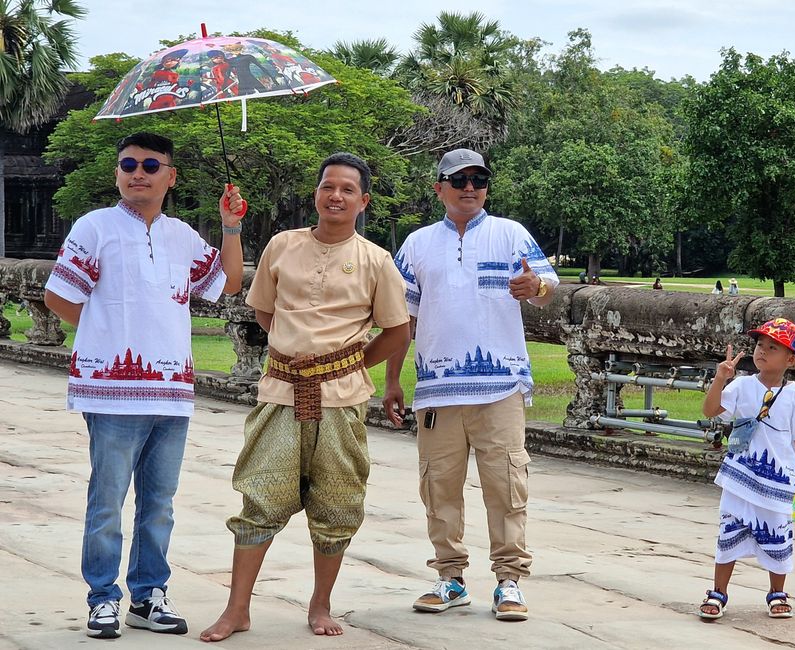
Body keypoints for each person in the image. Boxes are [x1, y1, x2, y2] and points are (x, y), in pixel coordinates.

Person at [200, 153, 410, 642]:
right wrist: (300, 352)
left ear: (363, 201)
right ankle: (237, 610)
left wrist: (347, 364)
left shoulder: (377, 260)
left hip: (341, 399)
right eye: (327, 187)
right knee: (261, 495)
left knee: (337, 502)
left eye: (347, 190)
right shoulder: (282, 246)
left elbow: (397, 331)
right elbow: (265, 314)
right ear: (316, 193)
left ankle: (320, 605)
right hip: (280, 391)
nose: (335, 196)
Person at [43, 132, 246, 639]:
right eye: (128, 163)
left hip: (171, 392)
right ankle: (102, 598)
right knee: (107, 499)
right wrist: (102, 335)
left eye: (151, 164)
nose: (138, 172)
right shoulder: (95, 227)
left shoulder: (181, 236)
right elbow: (59, 298)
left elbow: (229, 282)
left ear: (169, 177)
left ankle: (149, 593)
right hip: (111, 392)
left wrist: (230, 226)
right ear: (117, 173)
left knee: (160, 503)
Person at [383, 148, 559, 622]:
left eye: (478, 179)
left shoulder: (511, 234)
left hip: (499, 385)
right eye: (457, 179)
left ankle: (509, 582)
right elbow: (402, 320)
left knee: (506, 486)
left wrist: (534, 289)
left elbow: (546, 287)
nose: (469, 187)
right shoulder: (417, 245)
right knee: (439, 489)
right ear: (438, 186)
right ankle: (450, 578)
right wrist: (393, 380)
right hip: (438, 390)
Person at [698, 318, 795, 620]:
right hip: (740, 478)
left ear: (790, 359)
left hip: (778, 483)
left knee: (778, 535)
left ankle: (777, 592)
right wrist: (720, 379)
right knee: (729, 533)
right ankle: (718, 592)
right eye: (759, 345)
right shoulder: (741, 386)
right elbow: (711, 410)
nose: (762, 351)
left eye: (772, 347)